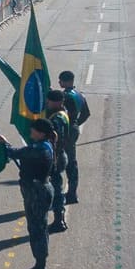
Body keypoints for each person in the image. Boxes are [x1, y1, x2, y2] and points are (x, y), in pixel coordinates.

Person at [0, 119, 56, 269]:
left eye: (34, 129)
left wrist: (5, 143)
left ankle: (40, 268)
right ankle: (40, 265)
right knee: (40, 228)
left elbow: (16, 153)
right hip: (40, 189)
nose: (31, 131)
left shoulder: (39, 149)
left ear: (41, 133)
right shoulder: (46, 145)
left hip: (37, 193)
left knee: (37, 230)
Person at [58, 70, 90, 203]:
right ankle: (72, 192)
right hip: (73, 128)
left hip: (66, 130)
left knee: (66, 161)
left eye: (61, 80)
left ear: (66, 81)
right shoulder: (79, 95)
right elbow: (86, 113)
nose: (59, 82)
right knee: (72, 160)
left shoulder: (65, 96)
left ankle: (69, 194)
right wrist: (76, 124)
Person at [44, 91, 73, 231]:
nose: (47, 103)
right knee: (56, 188)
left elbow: (56, 137)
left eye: (49, 101)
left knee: (56, 190)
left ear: (57, 102)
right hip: (61, 154)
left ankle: (59, 221)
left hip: (57, 157)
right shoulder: (62, 112)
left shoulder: (57, 119)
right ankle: (59, 218)